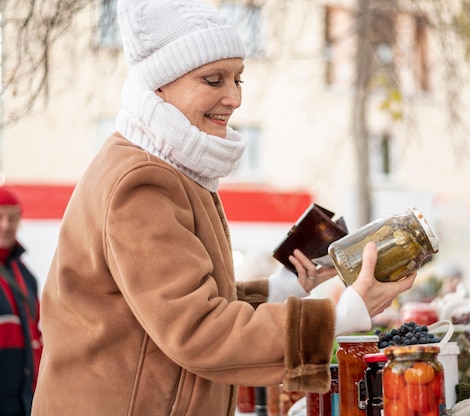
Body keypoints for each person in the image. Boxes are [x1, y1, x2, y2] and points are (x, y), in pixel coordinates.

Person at [30, 1, 417, 415]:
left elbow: (181, 301)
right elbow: (197, 329)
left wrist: (282, 290)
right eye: (213, 80)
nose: (233, 98)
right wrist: (339, 316)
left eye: (237, 79)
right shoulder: (142, 182)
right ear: (159, 86)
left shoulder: (169, 165)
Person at [0, 187, 43, 416]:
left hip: (25, 401)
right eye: (0, 217)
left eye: (12, 218)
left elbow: (37, 335)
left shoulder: (26, 277)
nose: (6, 225)